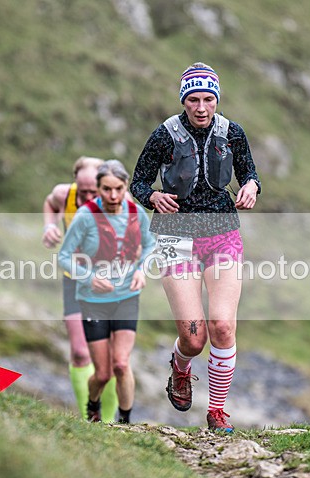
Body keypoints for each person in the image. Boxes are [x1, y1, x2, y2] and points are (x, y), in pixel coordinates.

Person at [130, 62, 260, 433]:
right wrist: (152, 195)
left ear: (216, 100)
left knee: (222, 325)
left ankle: (217, 412)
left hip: (222, 232)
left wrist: (252, 186)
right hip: (174, 236)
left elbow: (249, 172)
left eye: (208, 99)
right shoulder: (164, 135)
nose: (201, 107)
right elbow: (138, 182)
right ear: (183, 100)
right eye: (193, 99)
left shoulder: (232, 132)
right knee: (194, 336)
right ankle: (180, 367)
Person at [58, 159, 155, 423]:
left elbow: (150, 245)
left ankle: (125, 421)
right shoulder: (85, 217)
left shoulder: (137, 213)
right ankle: (93, 405)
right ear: (98, 189)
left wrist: (141, 270)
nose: (113, 196)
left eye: (119, 189)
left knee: (121, 364)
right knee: (102, 374)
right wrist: (89, 278)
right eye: (106, 190)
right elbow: (64, 257)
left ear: (126, 187)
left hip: (126, 297)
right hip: (93, 301)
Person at [42, 156, 118, 422]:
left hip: (107, 282)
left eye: (92, 190)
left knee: (107, 359)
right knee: (79, 352)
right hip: (74, 279)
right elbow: (50, 205)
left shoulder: (116, 197)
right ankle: (90, 418)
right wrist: (50, 226)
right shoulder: (64, 194)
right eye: (82, 190)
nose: (87, 196)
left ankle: (108, 422)